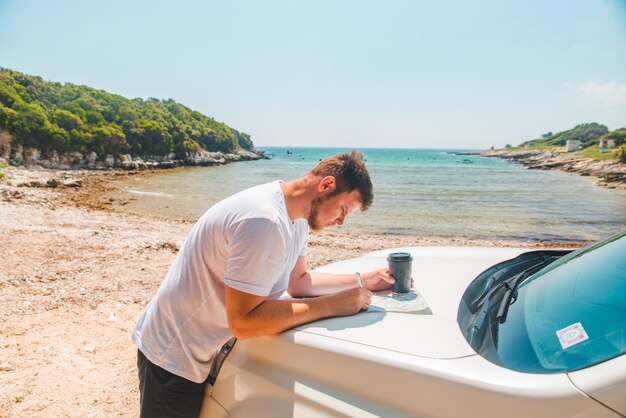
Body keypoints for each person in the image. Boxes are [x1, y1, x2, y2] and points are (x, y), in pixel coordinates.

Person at [132, 151, 394, 417]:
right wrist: (333, 305)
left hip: (197, 349)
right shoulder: (265, 221)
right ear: (326, 185)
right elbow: (244, 321)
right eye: (344, 209)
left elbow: (299, 282)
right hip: (173, 355)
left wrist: (364, 280)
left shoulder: (298, 218)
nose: (341, 221)